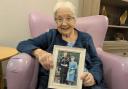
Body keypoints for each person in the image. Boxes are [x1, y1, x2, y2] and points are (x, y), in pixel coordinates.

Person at [17, 1, 107, 89]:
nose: (64, 23)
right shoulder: (50, 36)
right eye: (59, 19)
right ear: (55, 21)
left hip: (82, 83)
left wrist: (93, 77)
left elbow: (96, 61)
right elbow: (23, 44)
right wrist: (39, 53)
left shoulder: (86, 38)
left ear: (75, 19)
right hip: (54, 84)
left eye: (68, 18)